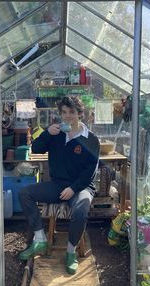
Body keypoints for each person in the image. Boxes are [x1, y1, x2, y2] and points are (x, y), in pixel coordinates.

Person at [18, 96, 100, 275]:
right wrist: (47, 133)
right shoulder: (56, 134)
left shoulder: (91, 139)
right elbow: (35, 149)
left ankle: (71, 253)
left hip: (81, 187)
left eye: (72, 112)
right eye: (64, 112)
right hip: (57, 184)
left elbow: (90, 172)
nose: (68, 116)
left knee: (80, 211)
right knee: (25, 193)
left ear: (80, 114)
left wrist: (73, 189)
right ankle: (39, 238)